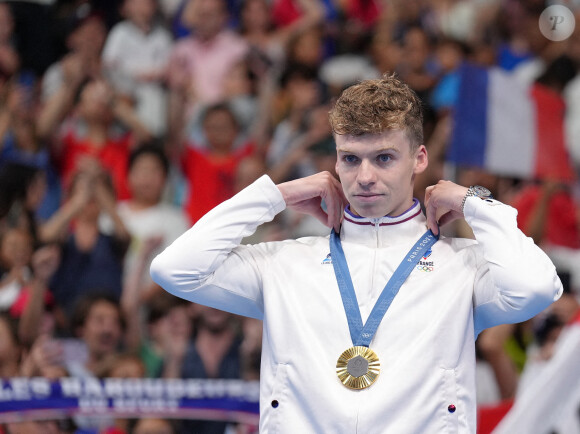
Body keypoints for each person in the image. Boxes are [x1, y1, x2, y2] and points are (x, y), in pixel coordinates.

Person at [150, 74, 562, 432]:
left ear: (419, 159)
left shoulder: (464, 264)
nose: (364, 177)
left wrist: (473, 201)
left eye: (384, 158)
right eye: (350, 159)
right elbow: (175, 269)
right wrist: (278, 195)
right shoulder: (285, 262)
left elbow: (538, 288)